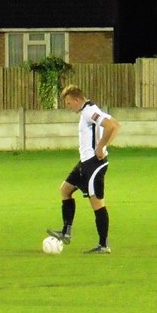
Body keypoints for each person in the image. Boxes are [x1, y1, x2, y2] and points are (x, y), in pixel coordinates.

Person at [47, 85, 121, 254]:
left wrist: (101, 147)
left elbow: (111, 126)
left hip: (94, 164)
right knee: (65, 190)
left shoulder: (89, 112)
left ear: (77, 100)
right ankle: (66, 232)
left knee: (97, 203)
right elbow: (117, 125)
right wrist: (103, 146)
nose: (68, 107)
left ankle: (103, 245)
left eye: (68, 103)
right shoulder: (89, 110)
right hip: (84, 162)